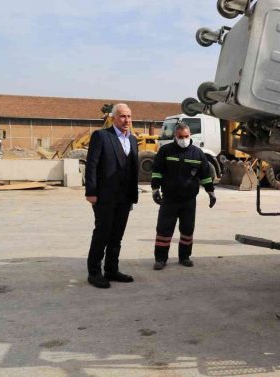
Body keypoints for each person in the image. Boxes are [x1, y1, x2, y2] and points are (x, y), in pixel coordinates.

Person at [85, 103, 139, 289]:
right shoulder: (101, 136)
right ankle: (94, 272)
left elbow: (132, 170)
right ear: (114, 118)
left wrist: (133, 195)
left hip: (124, 198)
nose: (127, 120)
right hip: (104, 196)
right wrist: (91, 191)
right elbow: (92, 165)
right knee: (102, 234)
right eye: (123, 116)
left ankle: (111, 269)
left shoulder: (132, 140)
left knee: (117, 236)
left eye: (129, 117)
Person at [150, 122, 216, 270]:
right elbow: (157, 171)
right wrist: (155, 189)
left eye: (186, 136)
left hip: (188, 200)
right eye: (181, 137)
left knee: (187, 229)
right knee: (164, 230)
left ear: (190, 135)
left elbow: (205, 175)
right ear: (175, 136)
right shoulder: (165, 151)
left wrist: (211, 192)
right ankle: (160, 259)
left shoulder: (198, 153)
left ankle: (184, 257)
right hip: (169, 199)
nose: (184, 139)